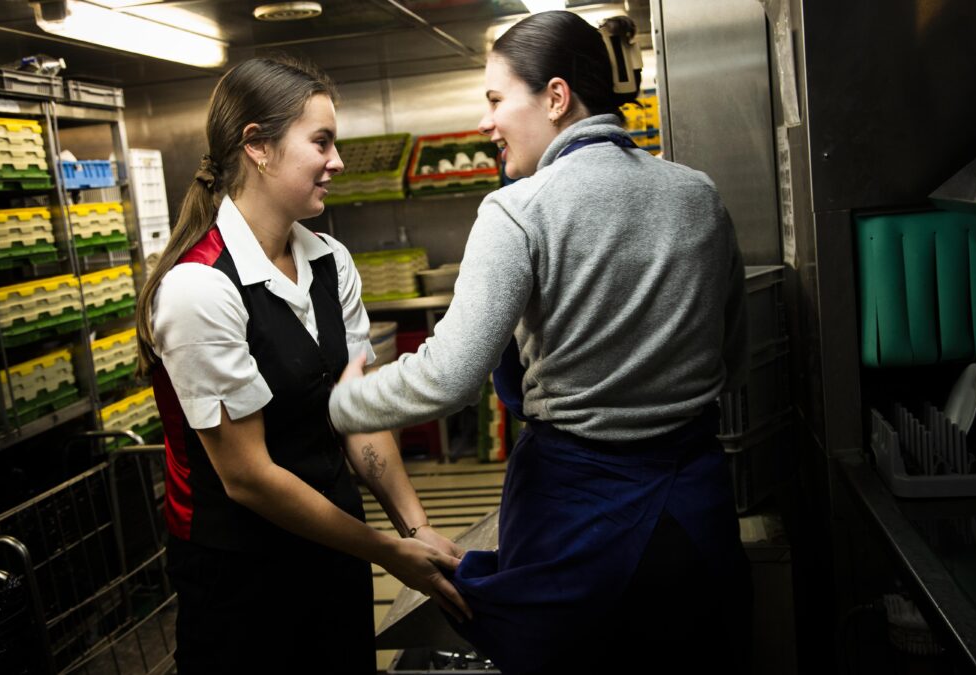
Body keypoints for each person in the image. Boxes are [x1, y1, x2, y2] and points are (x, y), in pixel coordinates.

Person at [329, 11, 752, 675]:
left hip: (574, 520)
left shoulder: (520, 209)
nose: (485, 122)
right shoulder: (699, 196)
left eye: (497, 99)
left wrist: (344, 404)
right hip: (694, 515)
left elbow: (449, 376)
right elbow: (732, 352)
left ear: (556, 98)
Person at [134, 56, 469, 674]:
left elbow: (357, 414)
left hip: (336, 547)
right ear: (258, 147)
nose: (336, 161)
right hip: (242, 578)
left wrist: (414, 529)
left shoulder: (329, 261)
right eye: (321, 141)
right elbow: (248, 476)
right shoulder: (199, 288)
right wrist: (387, 552)